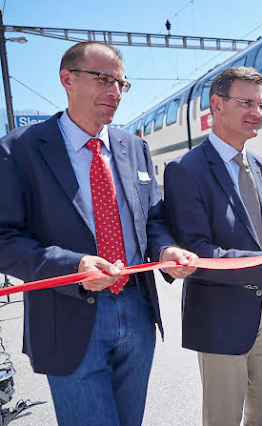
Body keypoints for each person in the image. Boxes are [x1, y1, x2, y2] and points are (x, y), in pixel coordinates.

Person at [0, 41, 196, 426]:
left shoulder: (134, 148)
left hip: (137, 315)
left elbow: (152, 221)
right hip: (67, 317)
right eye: (104, 79)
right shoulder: (18, 150)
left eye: (122, 84)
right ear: (66, 79)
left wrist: (166, 251)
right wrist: (74, 266)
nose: (115, 92)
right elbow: (4, 238)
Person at [163, 66, 262, 426]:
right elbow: (195, 250)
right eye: (246, 102)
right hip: (220, 312)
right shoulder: (186, 170)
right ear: (216, 105)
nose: (257, 113)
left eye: (261, 105)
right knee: (224, 417)